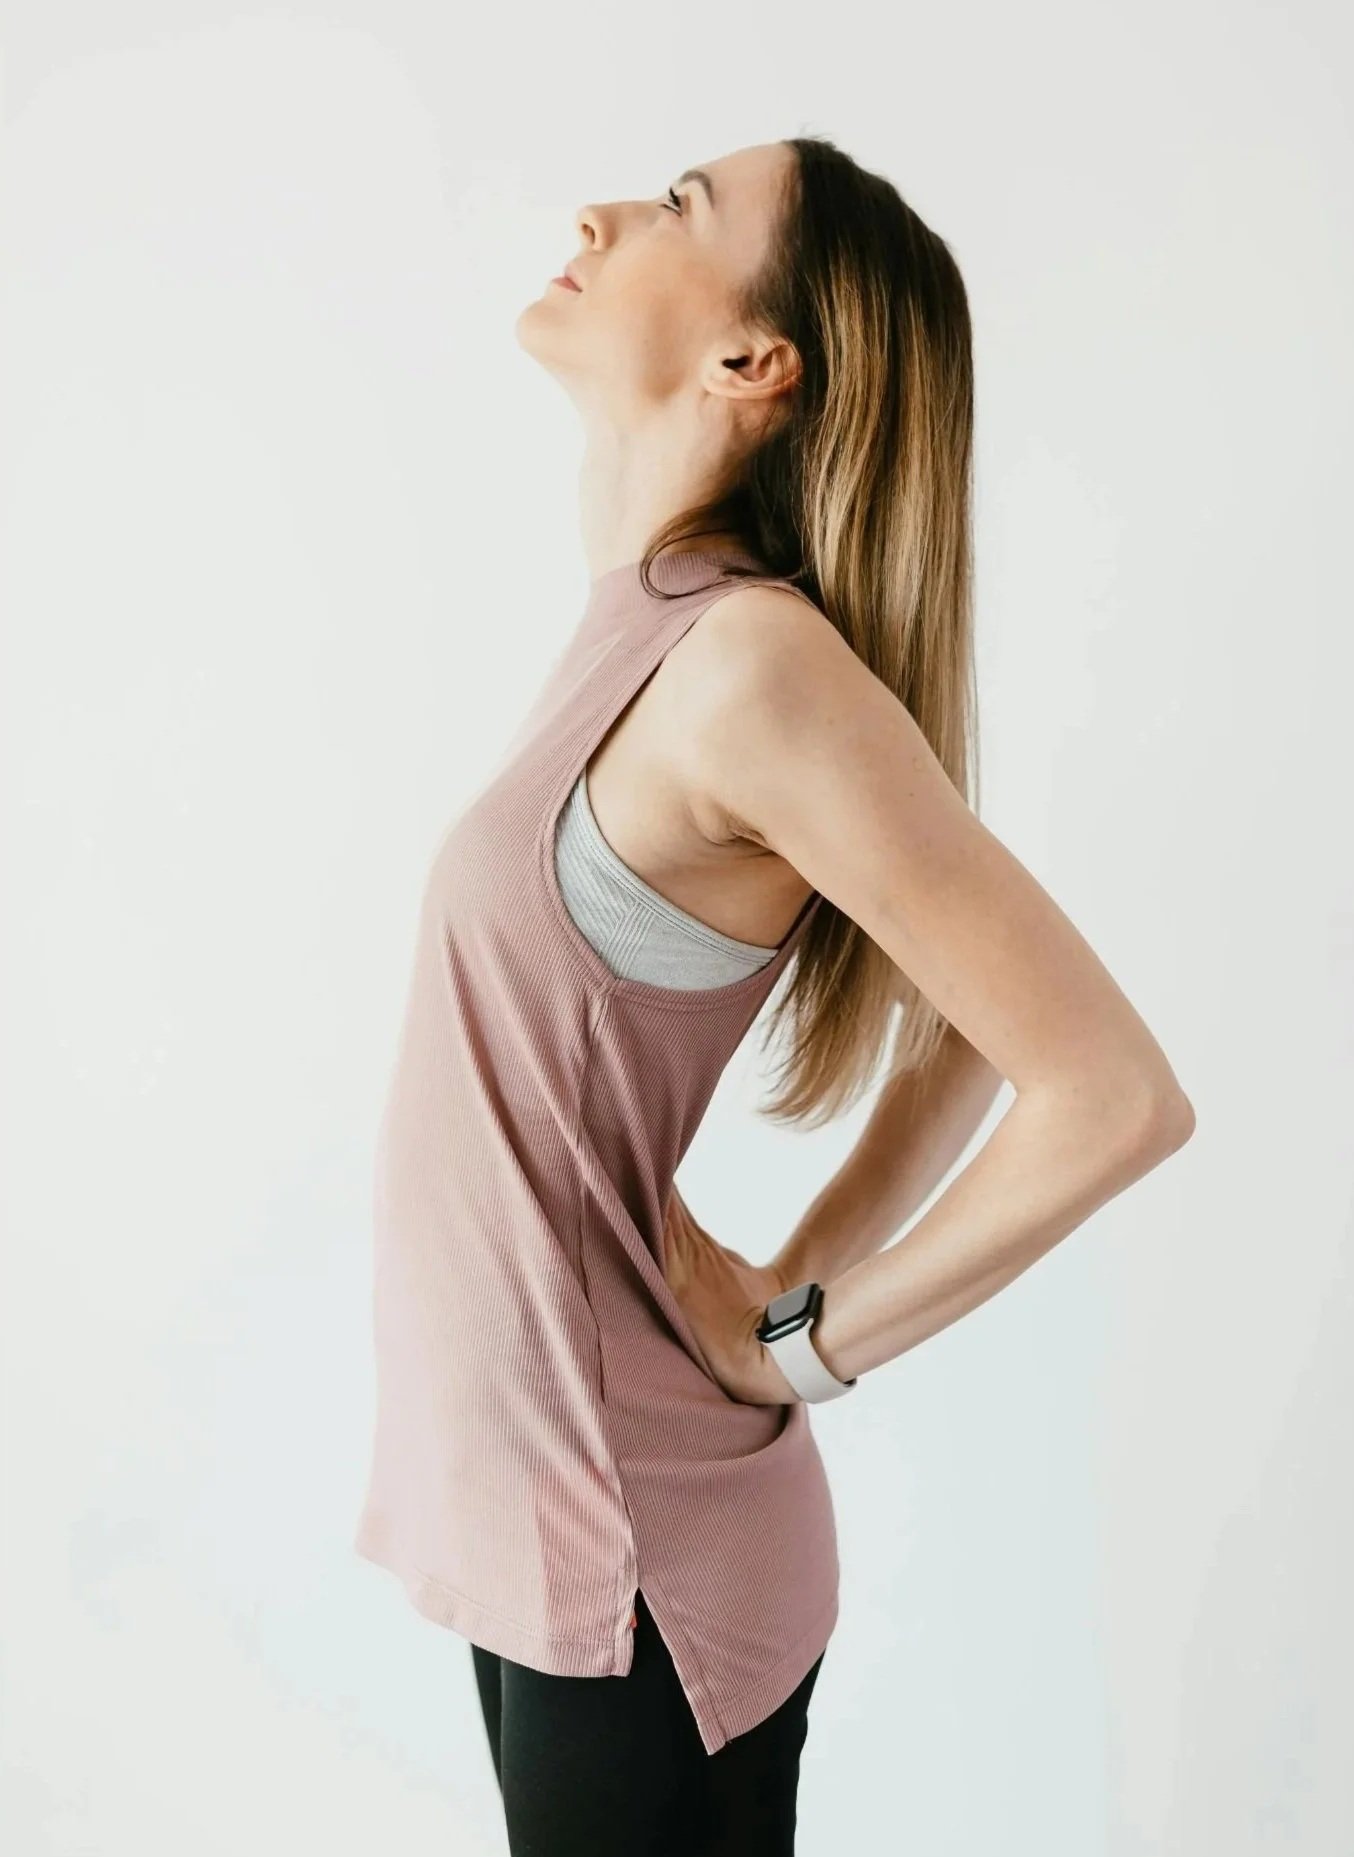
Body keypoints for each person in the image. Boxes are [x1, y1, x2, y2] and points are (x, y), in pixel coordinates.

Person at [354, 135, 1196, 1855]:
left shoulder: (745, 664)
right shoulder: (648, 630)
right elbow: (963, 1009)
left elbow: (1108, 1089)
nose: (594, 212)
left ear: (758, 361)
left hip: (640, 1559)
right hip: (555, 1526)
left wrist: (801, 1335)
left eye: (676, 205)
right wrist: (789, 1277)